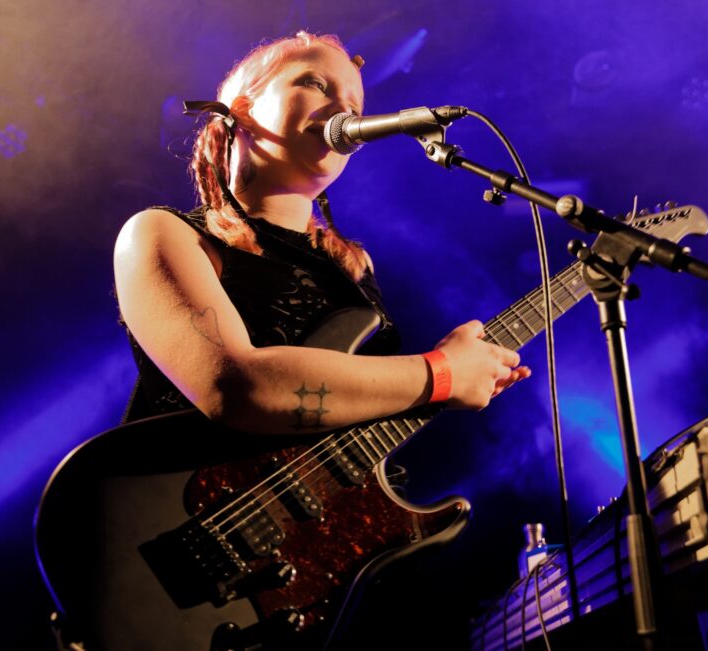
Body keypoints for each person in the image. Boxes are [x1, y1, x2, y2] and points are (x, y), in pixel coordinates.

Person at [114, 31, 530, 433]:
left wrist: (460, 375)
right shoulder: (161, 233)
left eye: (354, 104)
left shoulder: (354, 266)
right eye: (315, 84)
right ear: (242, 110)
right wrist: (440, 374)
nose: (344, 111)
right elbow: (235, 389)